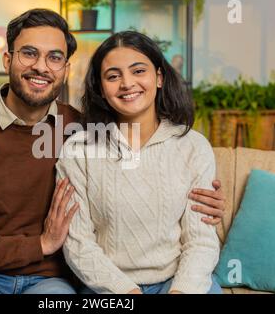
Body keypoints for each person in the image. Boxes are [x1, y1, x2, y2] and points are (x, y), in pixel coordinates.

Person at [0, 9, 224, 294]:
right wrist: (41, 244)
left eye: (54, 57)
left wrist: (206, 203)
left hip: (47, 280)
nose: (41, 66)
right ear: (7, 60)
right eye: (29, 53)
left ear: (66, 70)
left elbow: (180, 216)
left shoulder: (81, 128)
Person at [57, 31, 222, 294]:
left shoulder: (194, 147)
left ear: (158, 78)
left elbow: (201, 241)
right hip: (108, 287)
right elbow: (78, 243)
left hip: (178, 281)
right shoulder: (79, 150)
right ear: (100, 88)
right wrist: (129, 293)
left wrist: (181, 291)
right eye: (113, 76)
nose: (126, 83)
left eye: (138, 71)